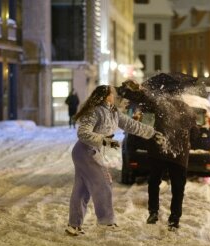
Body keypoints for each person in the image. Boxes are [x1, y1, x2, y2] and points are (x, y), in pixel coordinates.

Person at [65, 85, 166, 236]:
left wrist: (151, 133)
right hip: (86, 151)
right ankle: (106, 221)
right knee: (104, 181)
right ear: (106, 96)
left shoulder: (113, 112)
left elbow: (132, 125)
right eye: (113, 94)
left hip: (90, 152)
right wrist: (106, 142)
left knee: (82, 189)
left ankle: (74, 225)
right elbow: (83, 133)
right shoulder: (94, 111)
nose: (115, 96)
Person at [116, 76, 198, 231]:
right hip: (179, 155)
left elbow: (142, 103)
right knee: (178, 188)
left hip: (158, 151)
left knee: (154, 183)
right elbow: (194, 133)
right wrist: (187, 144)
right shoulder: (188, 110)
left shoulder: (159, 104)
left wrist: (130, 90)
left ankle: (153, 212)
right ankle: (174, 219)